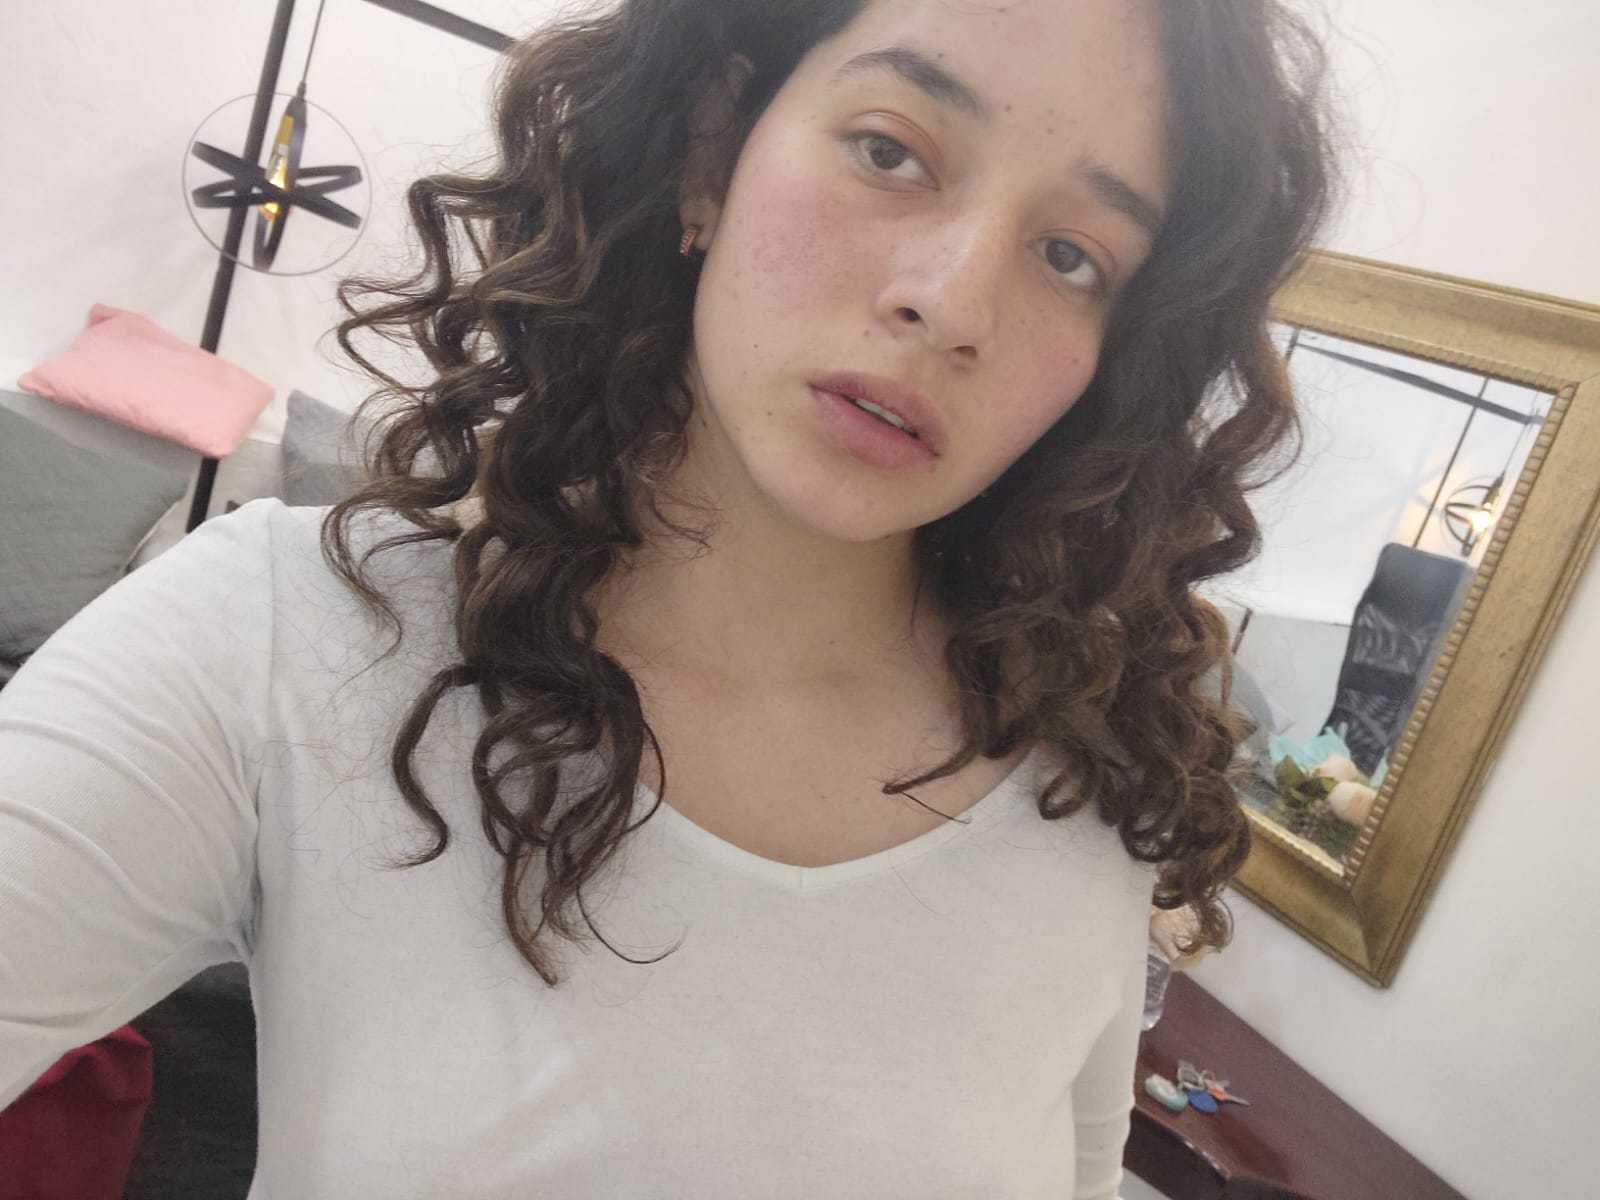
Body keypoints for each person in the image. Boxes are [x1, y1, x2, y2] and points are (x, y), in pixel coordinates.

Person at [1, 0, 1340, 1194]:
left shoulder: (1084, 801)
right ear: (713, 151)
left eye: (1071, 255)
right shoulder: (290, 639)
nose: (950, 303)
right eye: (890, 150)